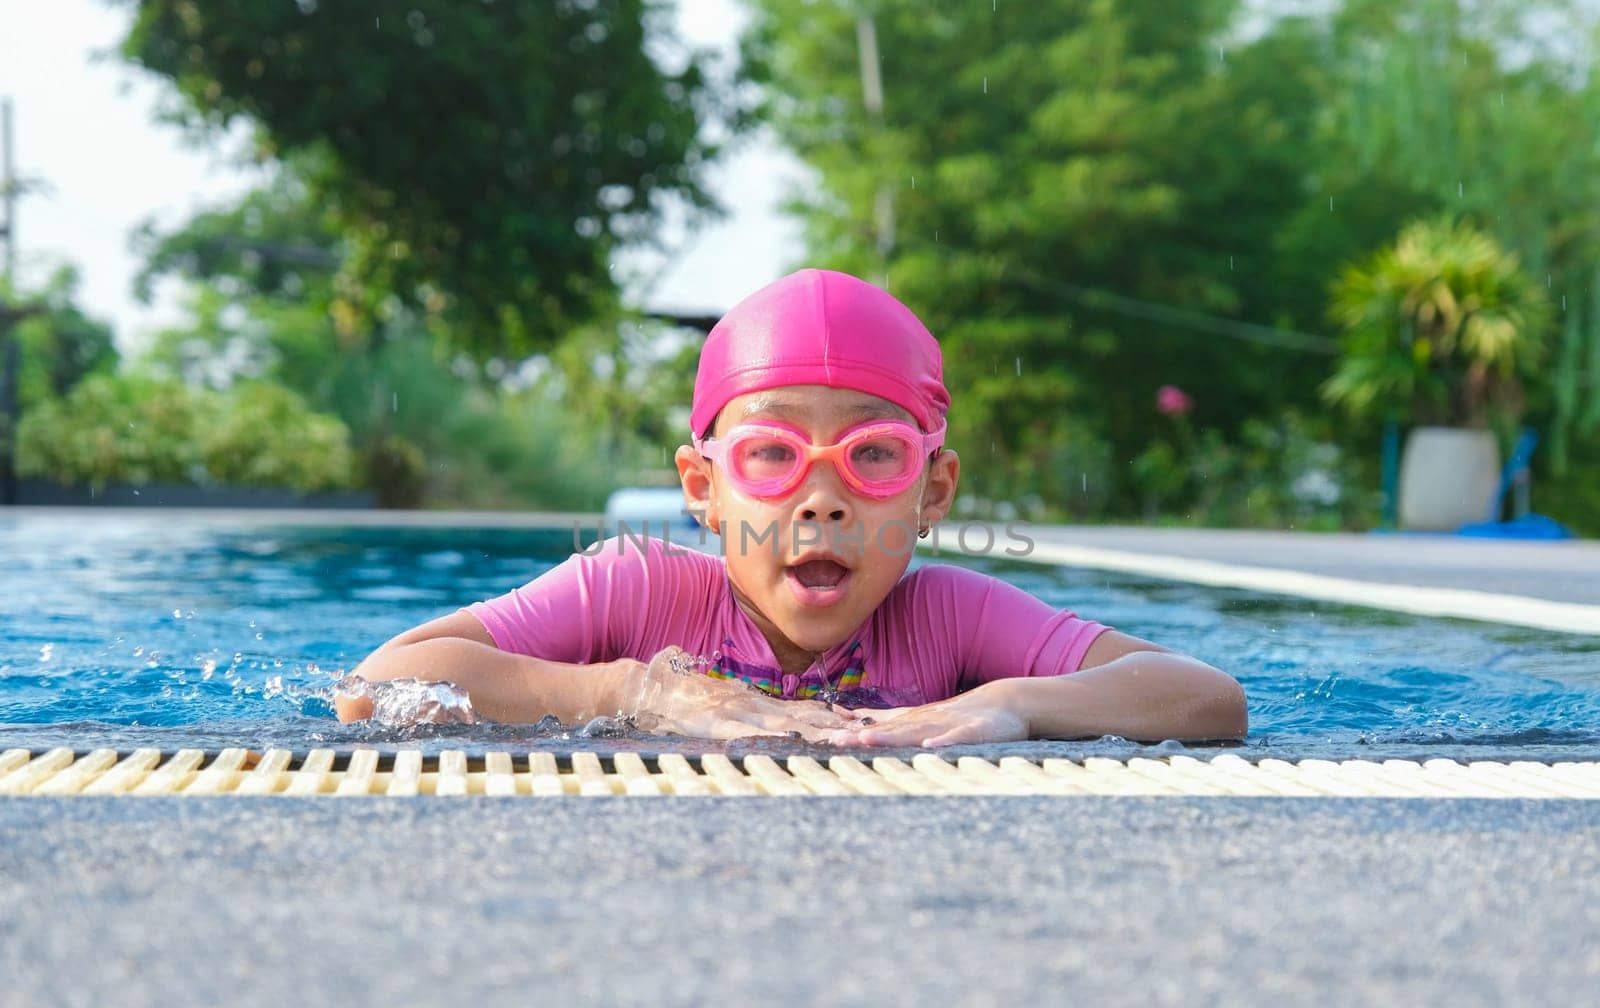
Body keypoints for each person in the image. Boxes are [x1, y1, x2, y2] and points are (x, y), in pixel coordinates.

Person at [335, 269, 1247, 746]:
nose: (821, 500)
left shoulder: (949, 618)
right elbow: (374, 689)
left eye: (872, 458)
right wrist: (634, 689)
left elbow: (1208, 699)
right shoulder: (636, 595)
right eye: (771, 457)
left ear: (933, 491)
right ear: (704, 490)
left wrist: (1015, 703)